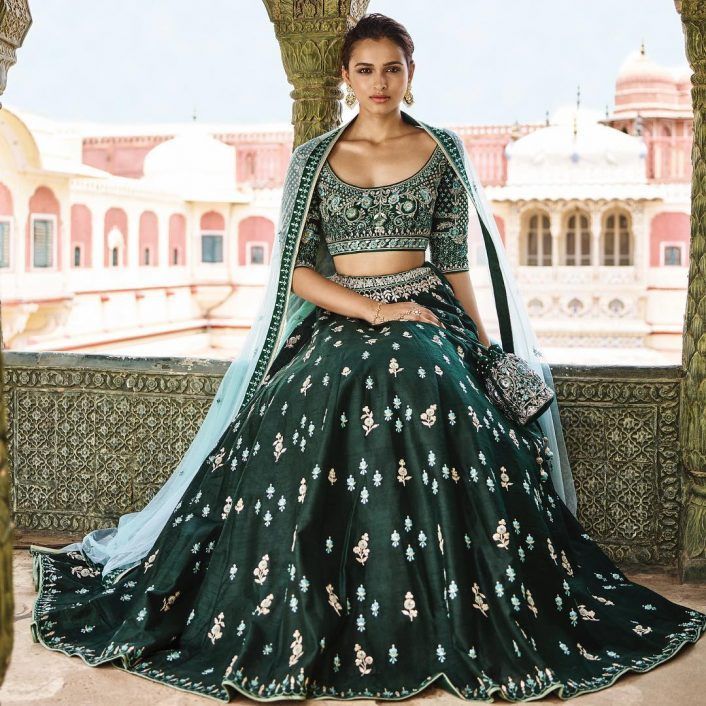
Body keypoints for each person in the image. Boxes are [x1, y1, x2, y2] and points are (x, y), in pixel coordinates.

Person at [28, 12, 705, 704]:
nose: (379, 83)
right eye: (364, 69)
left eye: (392, 68)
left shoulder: (441, 150)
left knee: (432, 378)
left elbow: (454, 261)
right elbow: (294, 269)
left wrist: (484, 342)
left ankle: (438, 607)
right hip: (344, 313)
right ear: (346, 77)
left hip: (425, 309)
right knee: (302, 400)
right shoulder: (314, 158)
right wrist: (374, 309)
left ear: (412, 72)